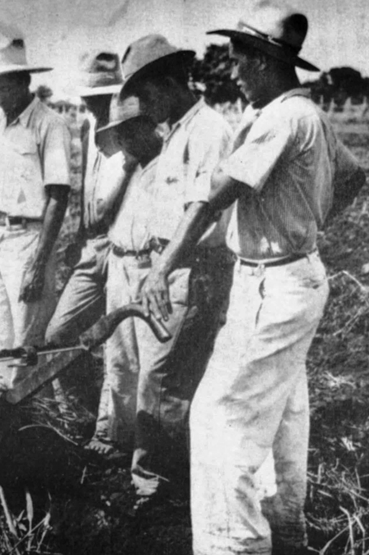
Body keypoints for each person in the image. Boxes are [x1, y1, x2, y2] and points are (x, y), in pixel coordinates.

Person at [139, 3, 366, 553]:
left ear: (265, 61)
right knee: (284, 413)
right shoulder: (304, 113)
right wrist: (307, 227)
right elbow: (355, 176)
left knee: (220, 418)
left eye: (239, 58)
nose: (233, 70)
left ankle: (233, 544)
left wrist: (162, 268)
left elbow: (216, 196)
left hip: (272, 286)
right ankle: (283, 527)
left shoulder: (281, 119)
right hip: (291, 277)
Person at [109, 34, 235, 502]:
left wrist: (163, 269)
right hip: (168, 266)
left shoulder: (208, 131)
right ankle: (168, 478)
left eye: (144, 94)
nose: (143, 105)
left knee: (164, 380)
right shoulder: (177, 131)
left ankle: (155, 485)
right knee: (159, 375)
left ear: (164, 85)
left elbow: (200, 212)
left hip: (192, 269)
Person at [43, 50, 131, 452]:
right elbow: (83, 184)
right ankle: (75, 418)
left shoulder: (133, 127)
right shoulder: (85, 125)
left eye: (103, 97)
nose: (94, 104)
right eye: (89, 97)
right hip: (93, 243)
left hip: (123, 244)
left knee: (116, 343)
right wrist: (79, 235)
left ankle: (106, 434)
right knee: (60, 335)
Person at [0, 32, 72, 392]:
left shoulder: (50, 124)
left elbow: (58, 197)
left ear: (22, 82)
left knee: (27, 337)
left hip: (29, 239)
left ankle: (32, 424)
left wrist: (38, 261)